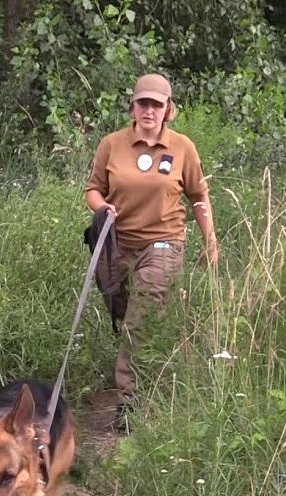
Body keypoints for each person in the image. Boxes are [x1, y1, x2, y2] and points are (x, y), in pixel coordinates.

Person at [84, 73, 218, 428]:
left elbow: (199, 196)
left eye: (157, 104)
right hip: (118, 243)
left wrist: (210, 240)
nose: (149, 110)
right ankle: (158, 367)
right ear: (133, 106)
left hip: (164, 241)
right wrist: (102, 208)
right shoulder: (112, 144)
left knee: (140, 319)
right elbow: (94, 189)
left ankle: (130, 402)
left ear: (168, 109)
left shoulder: (183, 148)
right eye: (143, 103)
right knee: (121, 307)